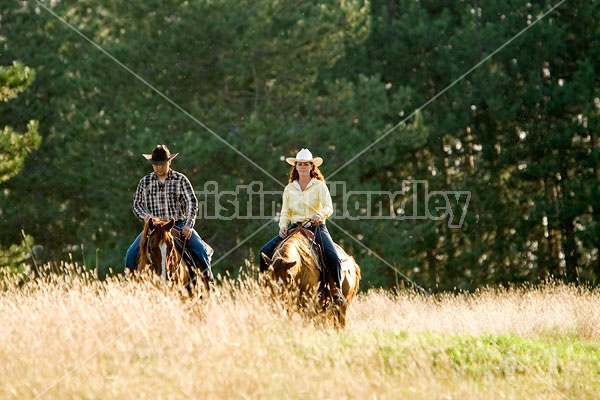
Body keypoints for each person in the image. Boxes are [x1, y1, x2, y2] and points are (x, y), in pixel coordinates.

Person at [259, 148, 346, 306]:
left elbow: (328, 207)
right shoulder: (289, 188)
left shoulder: (319, 186)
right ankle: (266, 290)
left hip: (316, 227)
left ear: (312, 166)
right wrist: (283, 226)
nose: (303, 167)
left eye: (306, 164)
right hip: (294, 228)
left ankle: (336, 291)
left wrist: (319, 215)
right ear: (296, 167)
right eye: (300, 164)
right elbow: (285, 211)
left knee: (332, 256)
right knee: (264, 252)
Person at [124, 144, 216, 288]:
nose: (158, 168)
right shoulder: (145, 182)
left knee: (199, 250)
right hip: (154, 228)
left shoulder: (180, 180)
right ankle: (128, 287)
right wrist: (145, 216)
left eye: (161, 164)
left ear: (169, 162)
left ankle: (210, 285)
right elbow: (136, 205)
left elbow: (191, 202)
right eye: (155, 164)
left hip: (177, 224)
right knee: (131, 253)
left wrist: (188, 225)